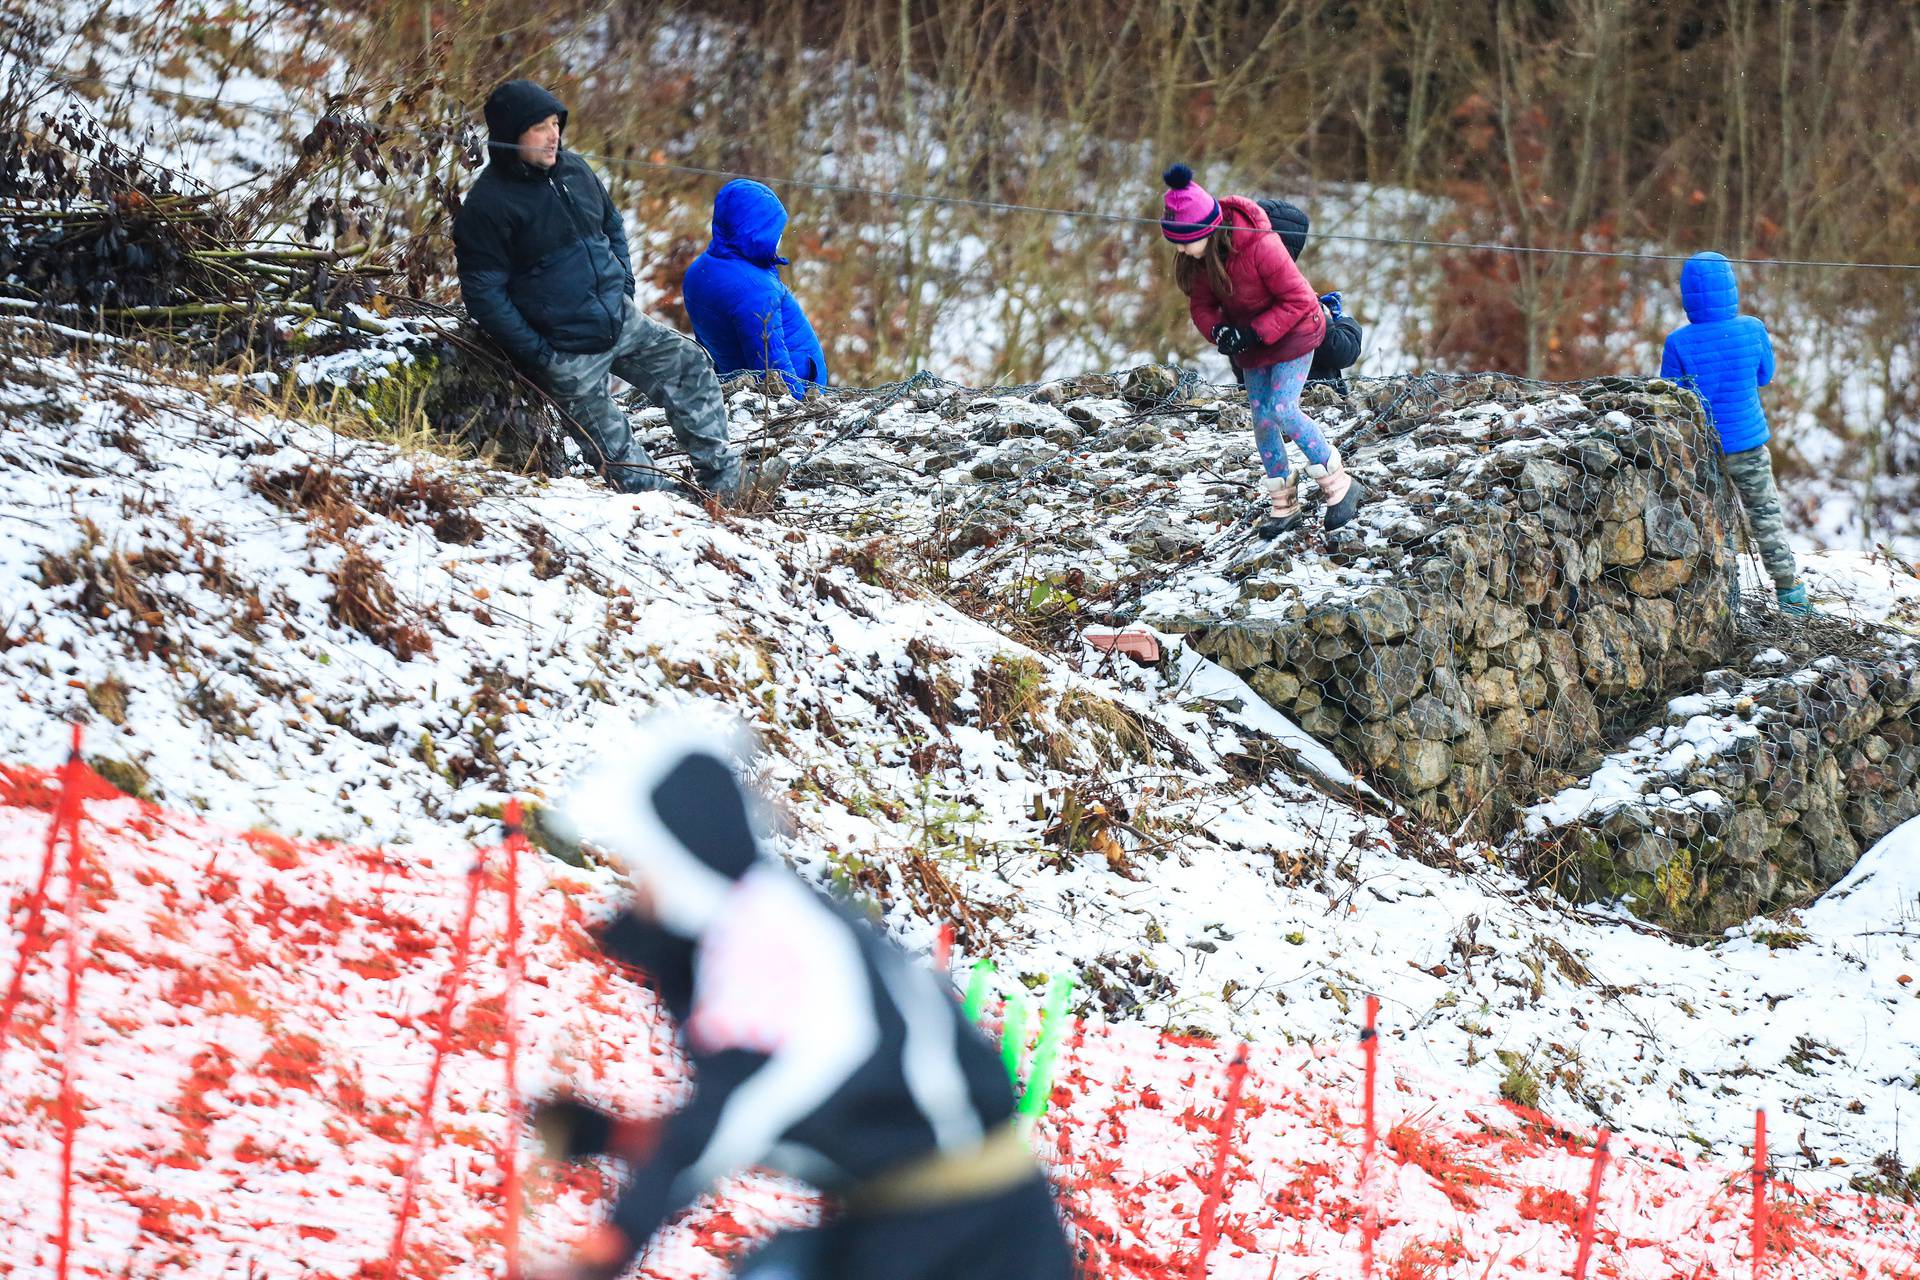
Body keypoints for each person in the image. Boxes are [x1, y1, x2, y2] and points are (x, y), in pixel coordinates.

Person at [526, 725, 1076, 1280]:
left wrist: (602, 1254)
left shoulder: (769, 945)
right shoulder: (763, 922)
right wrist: (612, 1136)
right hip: (911, 1226)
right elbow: (778, 1109)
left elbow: (732, 1115)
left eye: (644, 868)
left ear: (678, 861)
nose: (638, 889)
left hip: (976, 1243)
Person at [452, 80, 741, 498]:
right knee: (617, 454)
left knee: (689, 366)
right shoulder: (487, 206)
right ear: (511, 135)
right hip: (566, 352)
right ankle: (680, 514)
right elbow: (483, 295)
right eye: (540, 127)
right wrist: (541, 355)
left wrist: (622, 285)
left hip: (620, 321)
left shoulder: (575, 170)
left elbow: (612, 227)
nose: (554, 135)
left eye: (556, 124)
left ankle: (725, 489)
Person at [1162, 163, 1365, 539]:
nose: (1180, 248)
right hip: (1252, 345)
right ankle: (1284, 505)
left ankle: (1340, 484)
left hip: (1297, 336)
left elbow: (1301, 301)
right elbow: (1201, 307)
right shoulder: (1203, 259)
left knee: (1285, 409)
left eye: (1183, 239)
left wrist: (1254, 332)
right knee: (1263, 422)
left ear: (1206, 229)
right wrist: (1219, 331)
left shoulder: (1260, 245)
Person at [1659, 251, 1808, 615]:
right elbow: (1764, 376)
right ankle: (1791, 596)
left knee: (1712, 521)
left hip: (1704, 449)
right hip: (1750, 445)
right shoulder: (1753, 328)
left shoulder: (1678, 342)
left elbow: (1672, 395)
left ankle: (1721, 601)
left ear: (1687, 295)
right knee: (1765, 516)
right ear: (1732, 287)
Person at [683, 179, 829, 392]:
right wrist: (796, 402)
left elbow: (707, 343)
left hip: (734, 381)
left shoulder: (699, 272)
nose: (778, 238)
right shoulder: (755, 290)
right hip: (798, 390)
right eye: (774, 231)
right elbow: (772, 367)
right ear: (755, 231)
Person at [1255, 199, 1363, 393]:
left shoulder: (1240, 290)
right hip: (1308, 402)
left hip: (1259, 396)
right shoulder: (1293, 294)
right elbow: (1338, 351)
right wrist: (1344, 321)